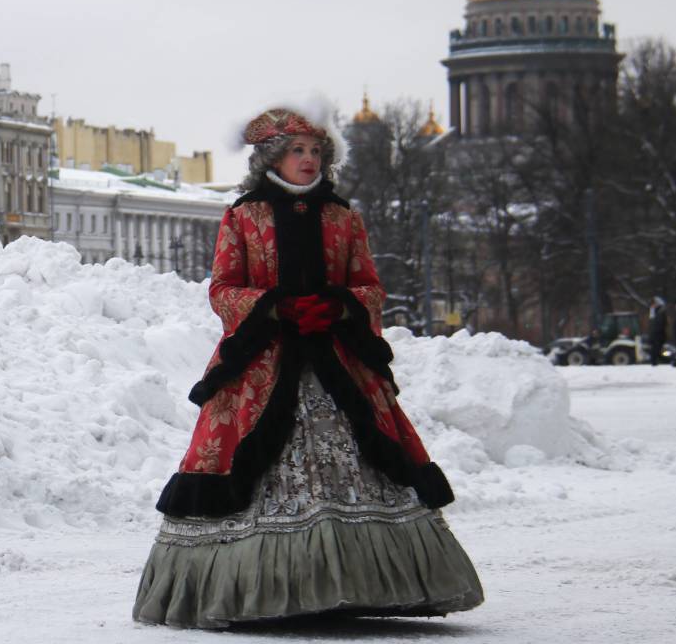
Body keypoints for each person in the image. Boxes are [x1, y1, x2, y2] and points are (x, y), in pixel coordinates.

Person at [132, 105, 483, 628]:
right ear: (273, 156)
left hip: (334, 355)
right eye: (298, 150)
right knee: (250, 454)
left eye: (316, 151)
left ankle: (364, 583)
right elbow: (223, 288)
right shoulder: (244, 214)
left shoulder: (343, 216)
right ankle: (255, 589)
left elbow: (369, 286)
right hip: (265, 359)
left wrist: (341, 304)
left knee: (362, 445)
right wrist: (274, 305)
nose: (309, 159)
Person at [647, 297, 667, 366]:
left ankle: (667, 361)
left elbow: (660, 324)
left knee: (657, 351)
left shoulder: (660, 312)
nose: (651, 305)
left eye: (653, 304)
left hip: (658, 335)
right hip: (654, 335)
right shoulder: (653, 312)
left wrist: (656, 332)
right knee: (654, 351)